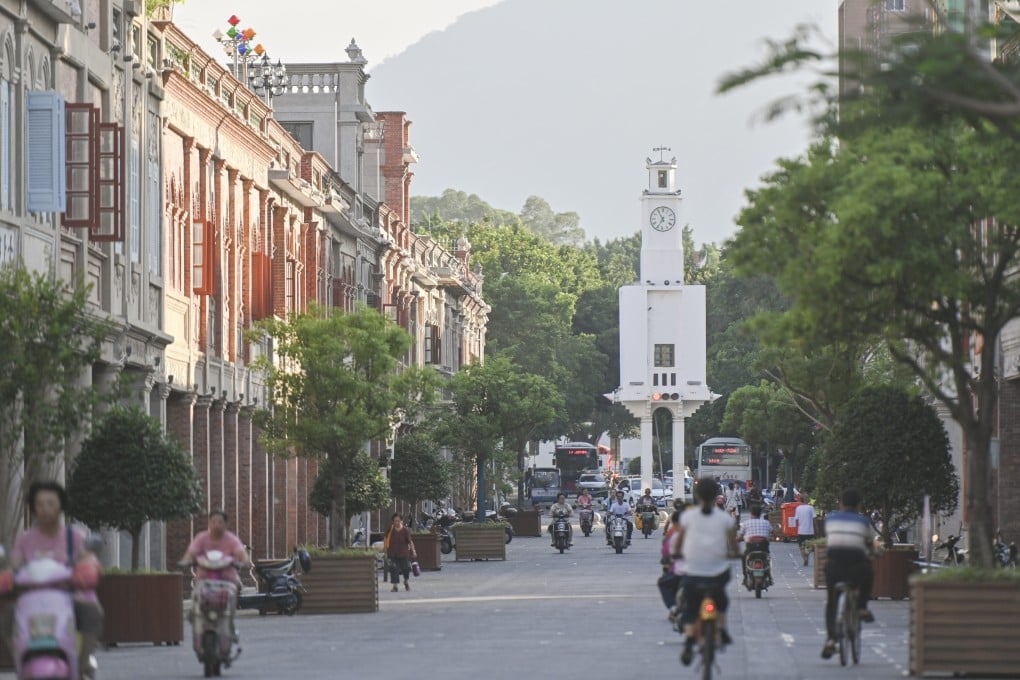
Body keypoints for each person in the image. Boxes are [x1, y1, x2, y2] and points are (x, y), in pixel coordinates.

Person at [0, 481, 104, 680]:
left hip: (67, 597)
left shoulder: (75, 537)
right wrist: (6, 576)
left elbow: (88, 559)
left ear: (60, 506)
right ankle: (19, 659)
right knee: (8, 617)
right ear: (32, 507)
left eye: (50, 503)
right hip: (31, 600)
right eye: (39, 504)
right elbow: (13, 567)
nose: (45, 509)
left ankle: (83, 661)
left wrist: (88, 569)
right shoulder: (25, 539)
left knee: (92, 611)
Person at [672, 478, 739, 666]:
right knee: (722, 602)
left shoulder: (687, 517)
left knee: (691, 608)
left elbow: (678, 544)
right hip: (718, 573)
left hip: (692, 572)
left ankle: (689, 640)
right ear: (716, 496)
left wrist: (677, 554)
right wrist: (735, 554)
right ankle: (723, 630)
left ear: (697, 495)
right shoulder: (725, 518)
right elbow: (733, 546)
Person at [821, 489, 877, 660]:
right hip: (856, 567)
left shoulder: (830, 519)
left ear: (841, 504)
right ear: (859, 506)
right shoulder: (863, 522)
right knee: (868, 570)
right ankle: (861, 607)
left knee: (832, 601)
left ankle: (831, 640)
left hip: (833, 567)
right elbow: (870, 544)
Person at [736, 504, 773, 585]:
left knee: (744, 557)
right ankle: (769, 576)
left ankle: (745, 577)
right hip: (763, 548)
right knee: (768, 559)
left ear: (751, 513)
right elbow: (771, 532)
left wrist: (737, 540)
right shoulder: (766, 523)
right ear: (760, 513)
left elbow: (740, 536)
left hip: (751, 548)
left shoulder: (746, 523)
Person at [384, 513, 417, 592]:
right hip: (392, 553)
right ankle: (395, 586)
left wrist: (413, 551)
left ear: (401, 521)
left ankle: (406, 581)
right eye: (395, 521)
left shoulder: (405, 530)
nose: (397, 523)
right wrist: (385, 550)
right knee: (393, 569)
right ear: (393, 522)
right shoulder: (390, 529)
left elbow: (410, 541)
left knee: (406, 568)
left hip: (403, 553)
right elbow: (385, 539)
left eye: (398, 521)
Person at [794, 494, 816, 566]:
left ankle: (805, 559)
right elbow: (814, 519)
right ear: (807, 500)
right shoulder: (810, 508)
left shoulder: (798, 508)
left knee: (801, 547)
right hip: (810, 531)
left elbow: (796, 520)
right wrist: (817, 527)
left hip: (801, 531)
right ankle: (807, 554)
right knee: (809, 547)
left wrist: (798, 527)